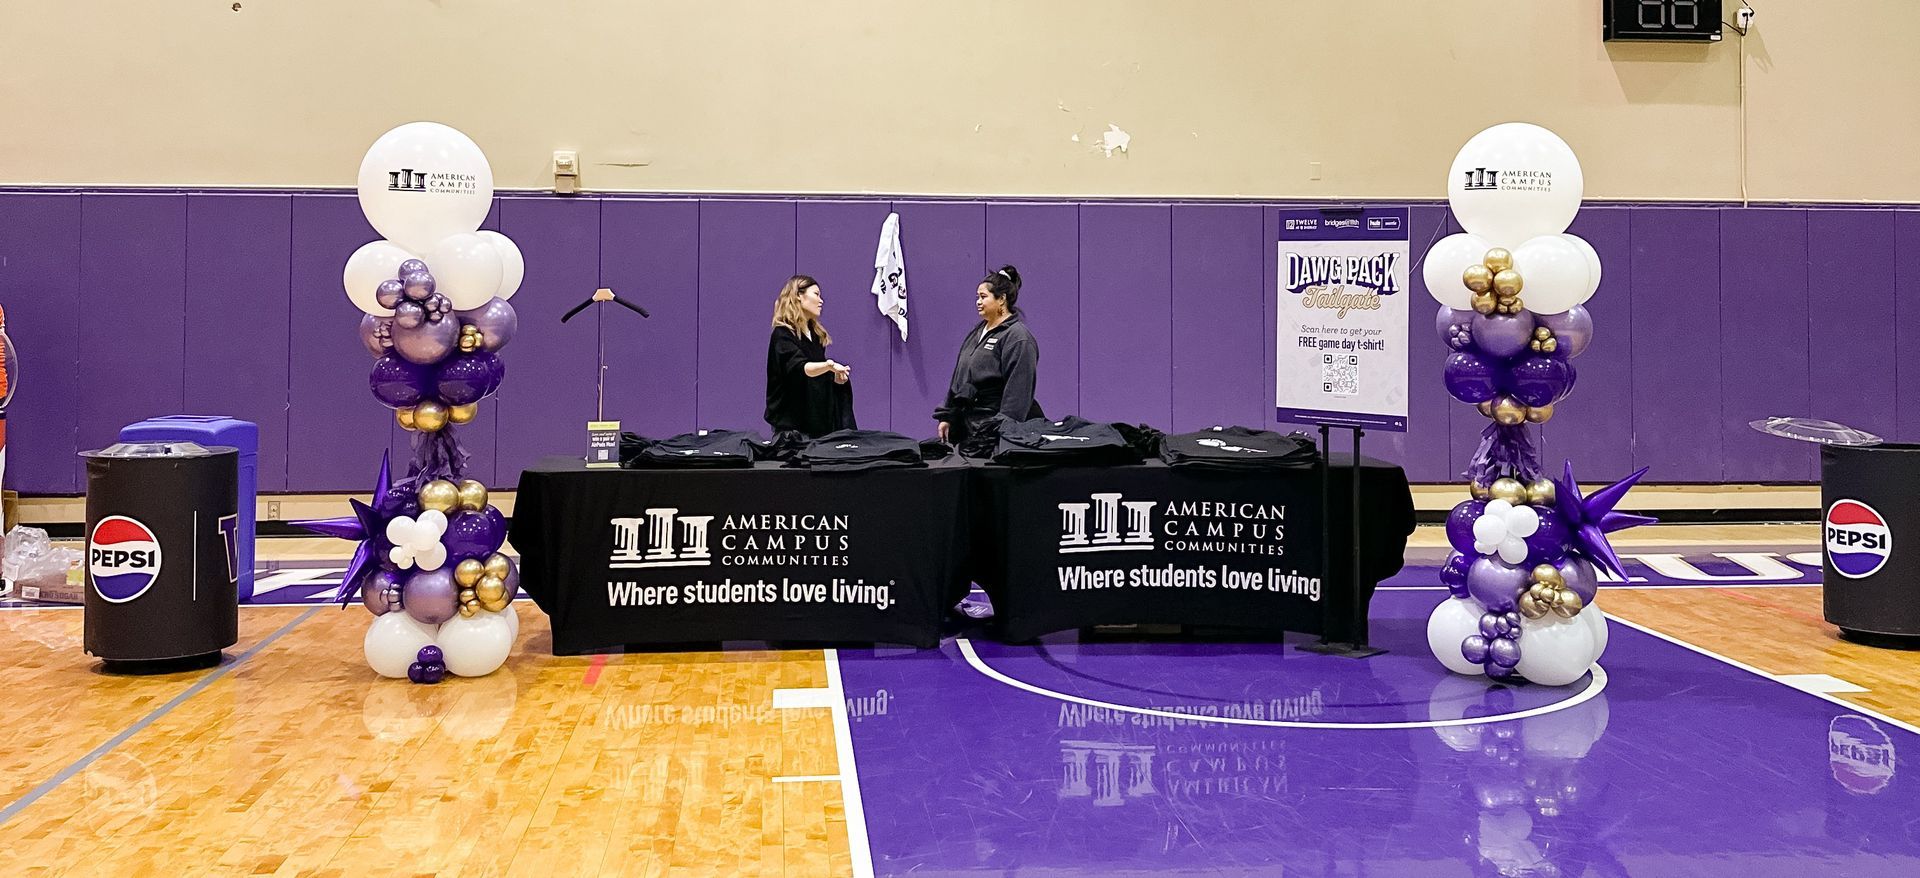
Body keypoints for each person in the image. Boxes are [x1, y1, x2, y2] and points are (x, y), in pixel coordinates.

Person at [934, 265, 1042, 451]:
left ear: (1001, 299)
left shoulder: (1018, 338)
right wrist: (948, 415)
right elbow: (959, 377)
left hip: (995, 436)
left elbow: (1018, 394)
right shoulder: (977, 332)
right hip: (971, 430)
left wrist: (1002, 435)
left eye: (983, 297)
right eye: (977, 297)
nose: (978, 302)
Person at [765, 275, 855, 438]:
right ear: (799, 295)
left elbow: (816, 379)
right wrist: (829, 366)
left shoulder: (815, 335)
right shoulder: (782, 334)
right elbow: (801, 368)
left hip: (816, 423)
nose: (821, 301)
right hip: (792, 428)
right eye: (816, 294)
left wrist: (835, 379)